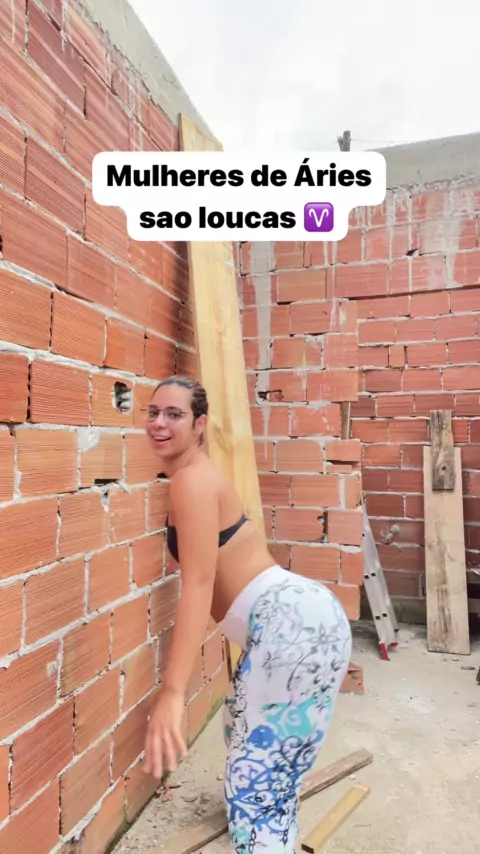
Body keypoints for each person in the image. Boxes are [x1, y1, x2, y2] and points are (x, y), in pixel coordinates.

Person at [142, 375, 352, 853]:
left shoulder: (193, 481)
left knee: (256, 788)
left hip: (292, 626)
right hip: (299, 621)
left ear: (200, 424)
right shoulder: (193, 477)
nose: (159, 423)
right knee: (246, 737)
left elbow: (198, 583)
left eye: (174, 414)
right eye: (152, 413)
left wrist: (173, 692)